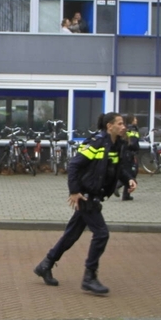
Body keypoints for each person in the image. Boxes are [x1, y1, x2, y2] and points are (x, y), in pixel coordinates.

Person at [33, 112, 137, 295]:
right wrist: (74, 192)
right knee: (102, 234)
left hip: (94, 194)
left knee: (71, 235)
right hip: (86, 195)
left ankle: (46, 264)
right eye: (120, 124)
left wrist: (128, 179)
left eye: (123, 124)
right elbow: (74, 165)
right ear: (109, 126)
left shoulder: (117, 144)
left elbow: (116, 167)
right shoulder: (96, 143)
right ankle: (89, 277)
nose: (124, 127)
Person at [118, 115, 140, 201]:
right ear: (132, 120)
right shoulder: (133, 129)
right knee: (132, 172)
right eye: (135, 118)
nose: (136, 120)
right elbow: (133, 142)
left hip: (125, 153)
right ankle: (118, 186)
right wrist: (134, 150)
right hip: (130, 153)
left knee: (129, 171)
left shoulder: (125, 128)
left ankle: (126, 195)